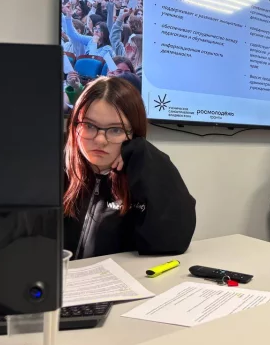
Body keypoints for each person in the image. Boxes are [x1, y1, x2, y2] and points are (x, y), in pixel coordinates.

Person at [63, 77, 196, 259]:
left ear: (134, 135)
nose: (100, 140)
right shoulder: (54, 167)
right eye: (89, 125)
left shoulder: (142, 171)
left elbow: (172, 242)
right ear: (74, 125)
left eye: (116, 130)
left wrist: (147, 157)